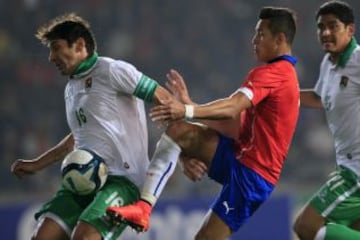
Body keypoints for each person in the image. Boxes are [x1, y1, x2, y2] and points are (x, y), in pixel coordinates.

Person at [107, 6, 299, 240]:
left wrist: (186, 109)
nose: (254, 40)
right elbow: (234, 125)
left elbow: (232, 107)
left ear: (279, 39)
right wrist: (188, 125)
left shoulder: (276, 73)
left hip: (253, 175)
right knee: (179, 131)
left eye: (260, 34)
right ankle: (143, 208)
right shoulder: (278, 75)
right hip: (239, 155)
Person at [10, 13, 174, 240]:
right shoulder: (71, 89)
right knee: (43, 236)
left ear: (79, 45)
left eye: (56, 48)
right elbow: (78, 137)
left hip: (122, 181)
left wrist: (184, 147)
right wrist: (37, 164)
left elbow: (164, 98)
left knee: (85, 238)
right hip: (81, 180)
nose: (51, 57)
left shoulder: (112, 70)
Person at [293, 1, 360, 240]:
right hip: (345, 165)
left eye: (333, 26)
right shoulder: (328, 63)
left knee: (305, 226)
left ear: (350, 30)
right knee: (349, 231)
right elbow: (319, 97)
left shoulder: (358, 60)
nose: (326, 32)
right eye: (321, 27)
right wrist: (277, 97)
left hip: (356, 172)